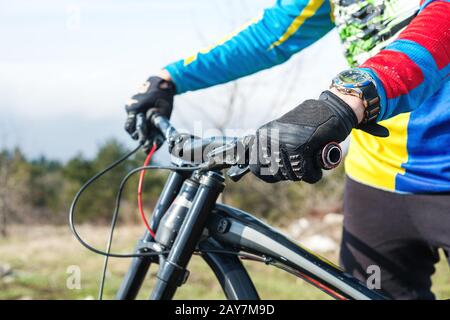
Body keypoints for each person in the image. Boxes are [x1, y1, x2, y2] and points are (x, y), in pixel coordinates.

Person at [124, 0, 449, 299]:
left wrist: (351, 96)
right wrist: (171, 78)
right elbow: (273, 34)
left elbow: (442, 24)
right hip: (376, 179)